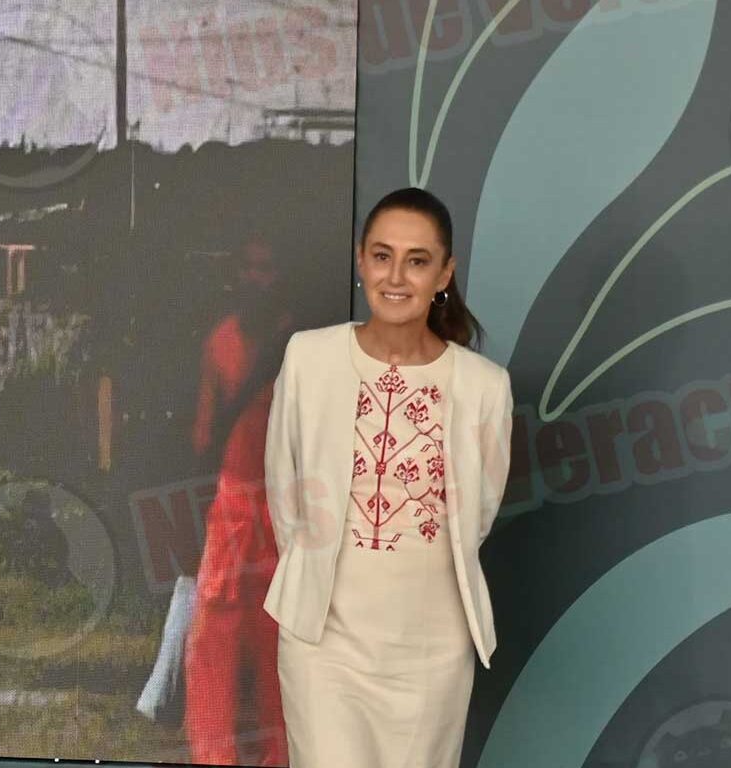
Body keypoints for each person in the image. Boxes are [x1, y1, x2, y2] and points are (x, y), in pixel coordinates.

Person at [262, 187, 514, 768]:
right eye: (382, 256)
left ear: (444, 273)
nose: (395, 276)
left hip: (432, 653)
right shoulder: (309, 357)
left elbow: (476, 518)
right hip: (322, 642)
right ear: (361, 260)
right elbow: (285, 493)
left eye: (417, 260)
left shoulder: (484, 386)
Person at [182, 237, 294, 766]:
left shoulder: (300, 345)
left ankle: (282, 757)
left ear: (279, 277)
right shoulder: (219, 341)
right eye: (247, 268)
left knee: (280, 642)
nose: (254, 278)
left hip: (287, 506)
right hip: (231, 504)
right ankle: (214, 757)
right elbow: (204, 437)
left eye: (265, 269)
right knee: (213, 640)